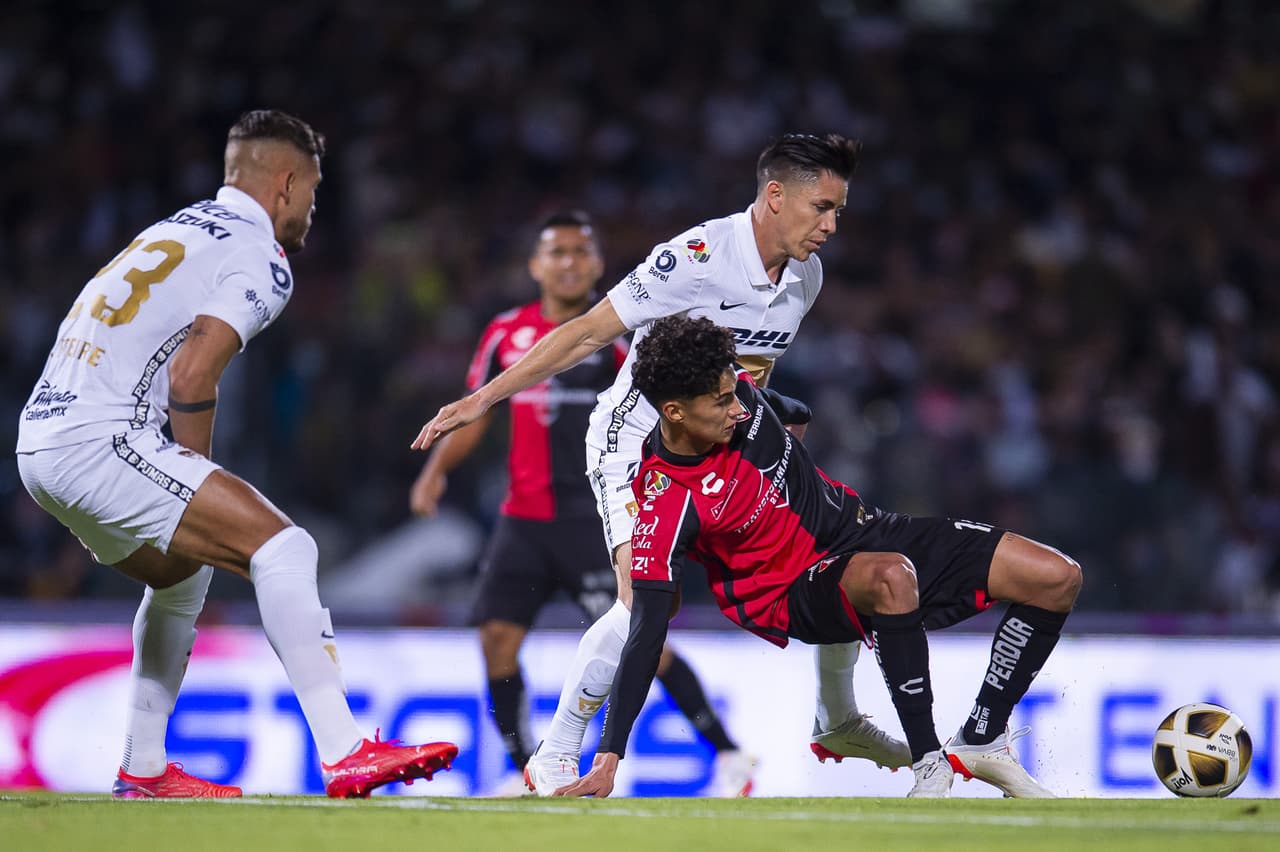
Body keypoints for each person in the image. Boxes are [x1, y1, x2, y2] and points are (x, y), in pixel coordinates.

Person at [412, 133, 910, 793]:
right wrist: (483, 398)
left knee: (829, 547)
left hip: (714, 450)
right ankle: (556, 754)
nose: (831, 225)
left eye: (839, 212)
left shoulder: (804, 278)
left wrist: (766, 417)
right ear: (774, 196)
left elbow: (747, 371)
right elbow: (590, 330)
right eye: (821, 207)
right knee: (640, 600)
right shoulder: (696, 257)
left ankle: (837, 718)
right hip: (634, 443)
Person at [15, 109, 457, 799]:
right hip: (100, 436)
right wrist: (198, 479)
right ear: (284, 185)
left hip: (40, 436)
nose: (313, 208)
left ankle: (144, 766)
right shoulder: (259, 256)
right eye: (311, 190)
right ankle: (346, 750)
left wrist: (192, 498)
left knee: (180, 577)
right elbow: (192, 376)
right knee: (285, 549)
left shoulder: (176, 227)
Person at [558, 316, 1082, 799]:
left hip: (864, 529)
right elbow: (646, 631)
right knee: (891, 579)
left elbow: (790, 412)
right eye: (721, 402)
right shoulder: (665, 503)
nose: (739, 407)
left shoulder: (734, 392)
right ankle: (930, 764)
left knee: (1055, 577)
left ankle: (981, 737)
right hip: (789, 590)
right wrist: (609, 756)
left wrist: (792, 454)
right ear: (674, 411)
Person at [410, 210, 757, 797]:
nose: (569, 262)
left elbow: (664, 412)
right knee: (496, 636)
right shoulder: (506, 332)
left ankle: (727, 751)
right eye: (557, 252)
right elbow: (480, 410)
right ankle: (527, 763)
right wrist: (435, 472)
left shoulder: (625, 332)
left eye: (580, 252)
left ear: (597, 265)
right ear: (535, 266)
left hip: (593, 516)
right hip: (523, 518)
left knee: (644, 635)